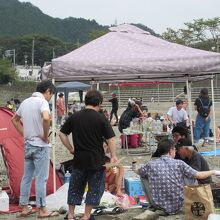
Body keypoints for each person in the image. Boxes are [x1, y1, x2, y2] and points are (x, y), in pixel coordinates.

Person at [59, 89, 118, 220]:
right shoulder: (101, 118)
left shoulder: (74, 117)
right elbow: (111, 139)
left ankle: (70, 215)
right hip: (96, 160)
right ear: (99, 103)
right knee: (95, 188)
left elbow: (62, 133)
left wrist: (70, 148)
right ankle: (86, 216)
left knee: (75, 187)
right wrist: (113, 155)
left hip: (79, 159)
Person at [133, 139, 219, 216]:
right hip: (178, 205)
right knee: (191, 175)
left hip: (158, 205)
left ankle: (152, 203)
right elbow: (199, 175)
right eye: (174, 149)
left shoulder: (150, 164)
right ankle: (190, 199)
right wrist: (214, 171)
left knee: (143, 175)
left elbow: (138, 171)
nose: (175, 151)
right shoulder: (179, 163)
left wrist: (134, 166)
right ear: (170, 150)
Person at [11, 80, 59, 218]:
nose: (50, 97)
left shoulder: (26, 102)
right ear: (48, 90)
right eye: (51, 94)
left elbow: (14, 120)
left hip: (28, 144)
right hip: (40, 145)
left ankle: (24, 207)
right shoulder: (42, 102)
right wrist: (45, 135)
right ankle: (42, 208)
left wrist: (24, 134)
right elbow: (46, 118)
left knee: (27, 177)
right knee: (41, 178)